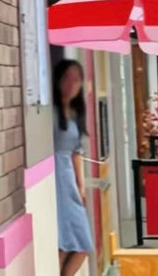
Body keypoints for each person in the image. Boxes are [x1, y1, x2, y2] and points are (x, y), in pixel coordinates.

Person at [53, 60, 92, 276]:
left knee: (82, 244)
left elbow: (77, 152)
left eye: (76, 79)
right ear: (58, 81)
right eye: (67, 78)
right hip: (55, 177)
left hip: (69, 178)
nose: (71, 84)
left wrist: (81, 185)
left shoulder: (76, 114)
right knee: (63, 244)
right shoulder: (51, 112)